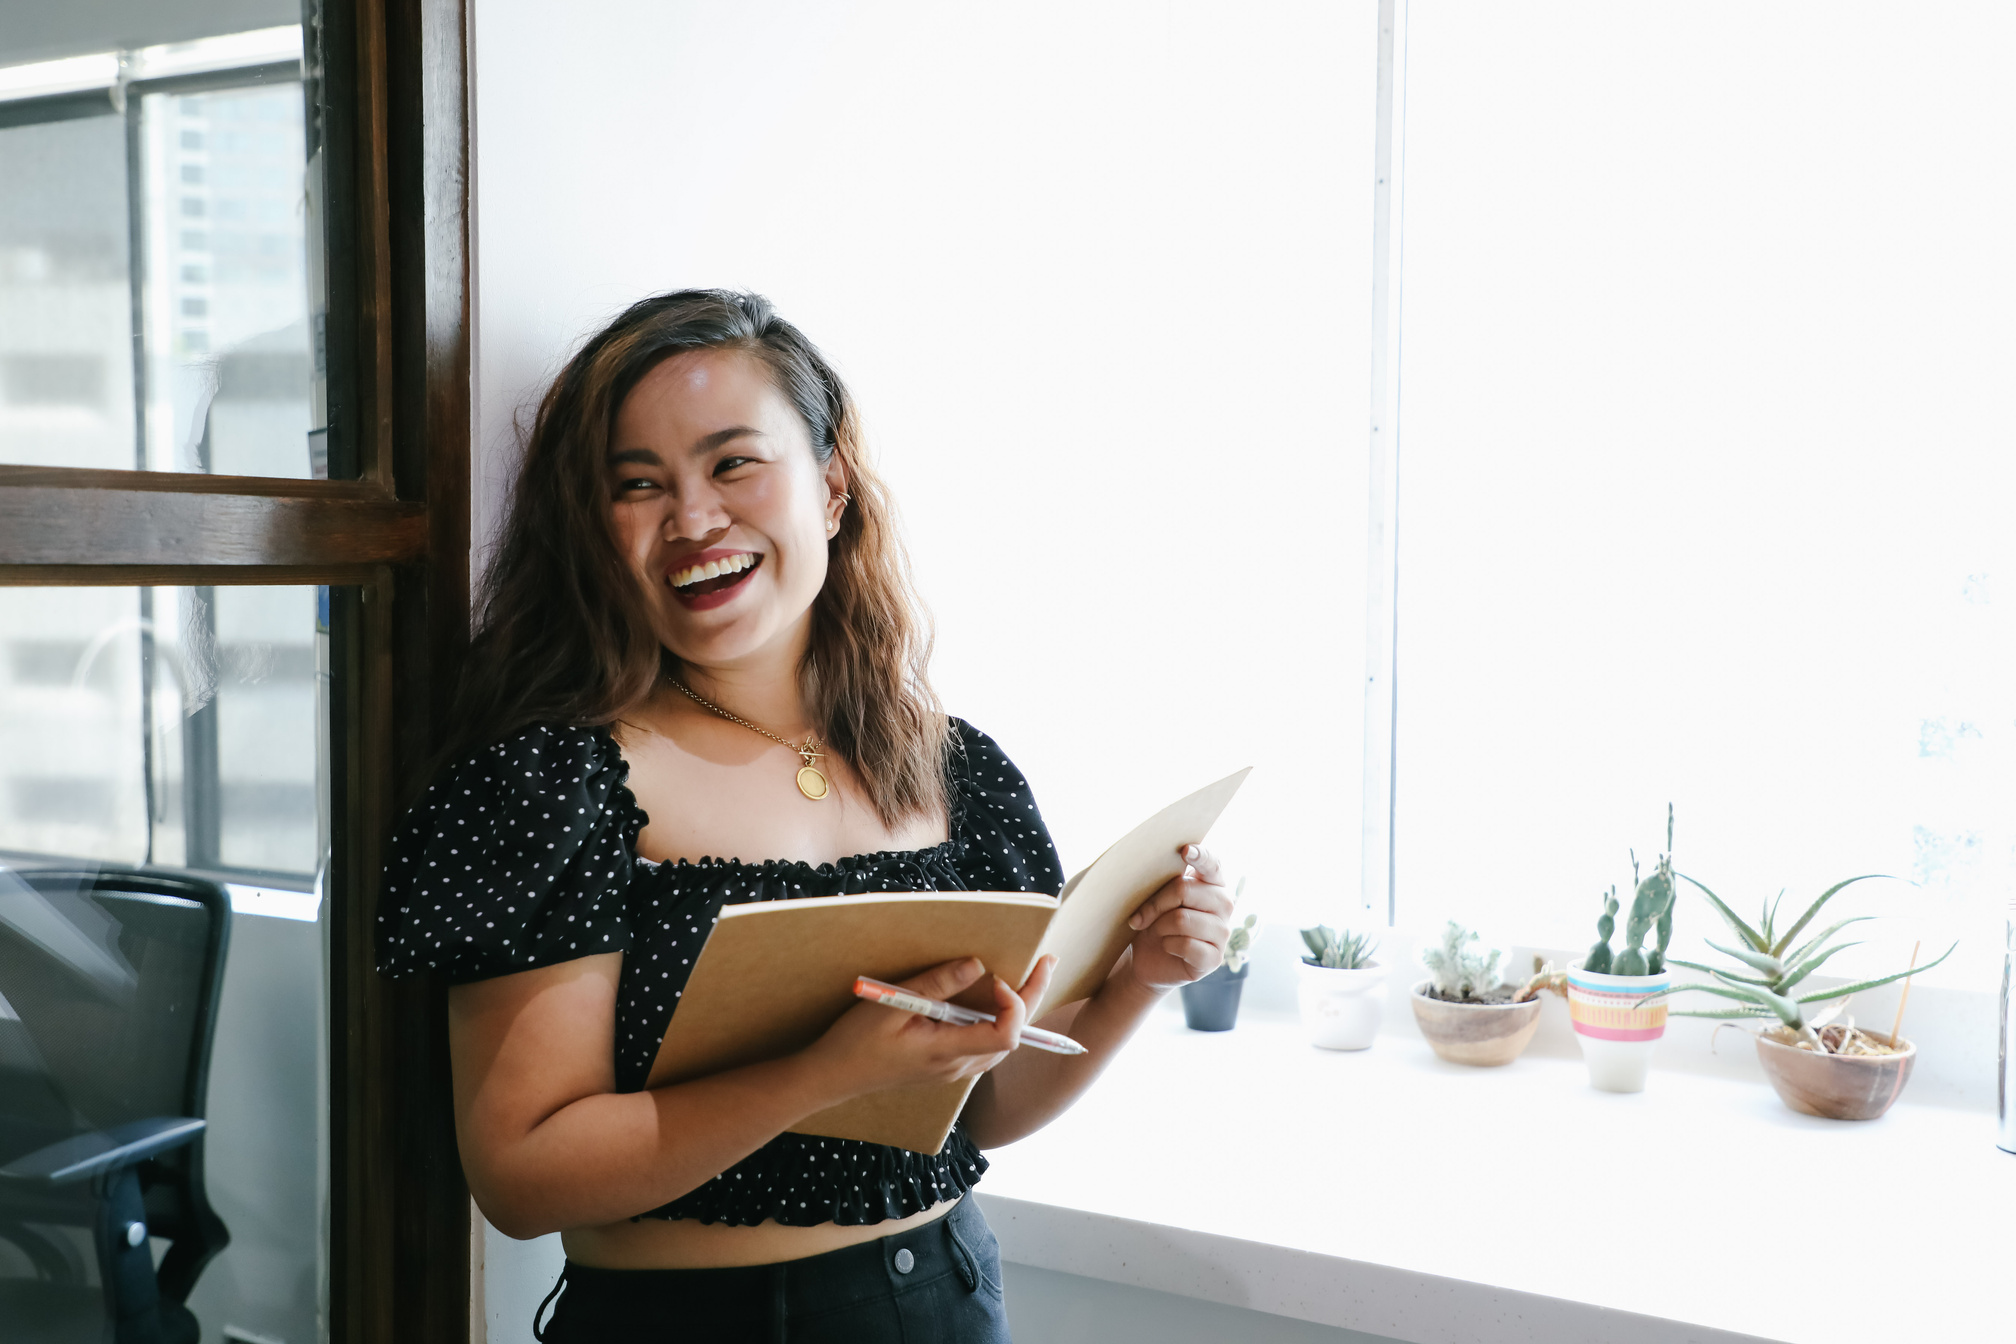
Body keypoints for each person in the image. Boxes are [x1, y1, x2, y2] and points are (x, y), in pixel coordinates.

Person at [375, 290, 1234, 1341]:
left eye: (734, 463)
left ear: (830, 488)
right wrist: (823, 1074)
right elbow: (521, 1177)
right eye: (638, 485)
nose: (693, 519)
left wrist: (1138, 981)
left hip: (948, 1297)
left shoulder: (960, 770)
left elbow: (984, 1109)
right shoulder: (550, 783)